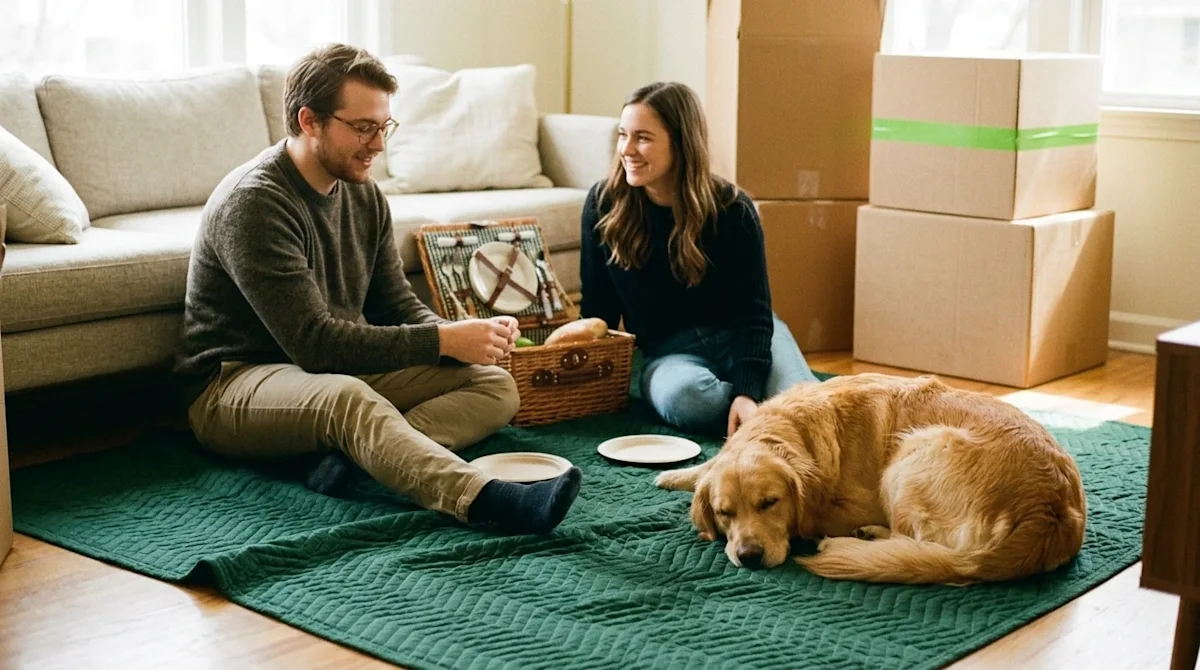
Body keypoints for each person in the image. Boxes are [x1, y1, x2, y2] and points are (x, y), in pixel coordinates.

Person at [174, 43, 581, 535]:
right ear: (309, 121)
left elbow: (393, 303)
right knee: (346, 398)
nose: (379, 145)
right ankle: (486, 499)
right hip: (232, 384)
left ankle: (355, 456)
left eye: (384, 126)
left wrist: (460, 337)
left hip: (320, 374)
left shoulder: (364, 193)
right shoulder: (255, 204)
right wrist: (443, 342)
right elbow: (315, 345)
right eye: (364, 128)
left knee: (492, 383)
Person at [579, 81, 819, 438]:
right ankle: (769, 413)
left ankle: (760, 405)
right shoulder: (604, 203)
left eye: (642, 137)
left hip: (740, 335)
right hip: (669, 355)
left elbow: (753, 311)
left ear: (681, 143)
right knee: (689, 400)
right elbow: (598, 309)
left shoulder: (733, 209)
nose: (626, 149)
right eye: (622, 134)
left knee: (808, 405)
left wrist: (745, 389)